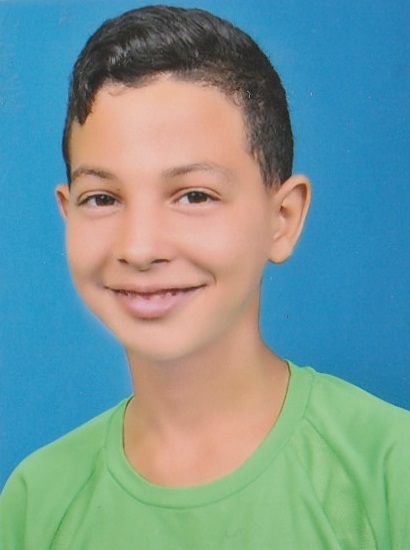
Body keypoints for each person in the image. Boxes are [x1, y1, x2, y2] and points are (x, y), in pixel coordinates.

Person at [0, 5, 409, 549]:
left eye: (194, 195)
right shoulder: (36, 502)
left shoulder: (389, 474)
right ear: (67, 212)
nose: (140, 248)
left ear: (282, 218)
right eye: (102, 198)